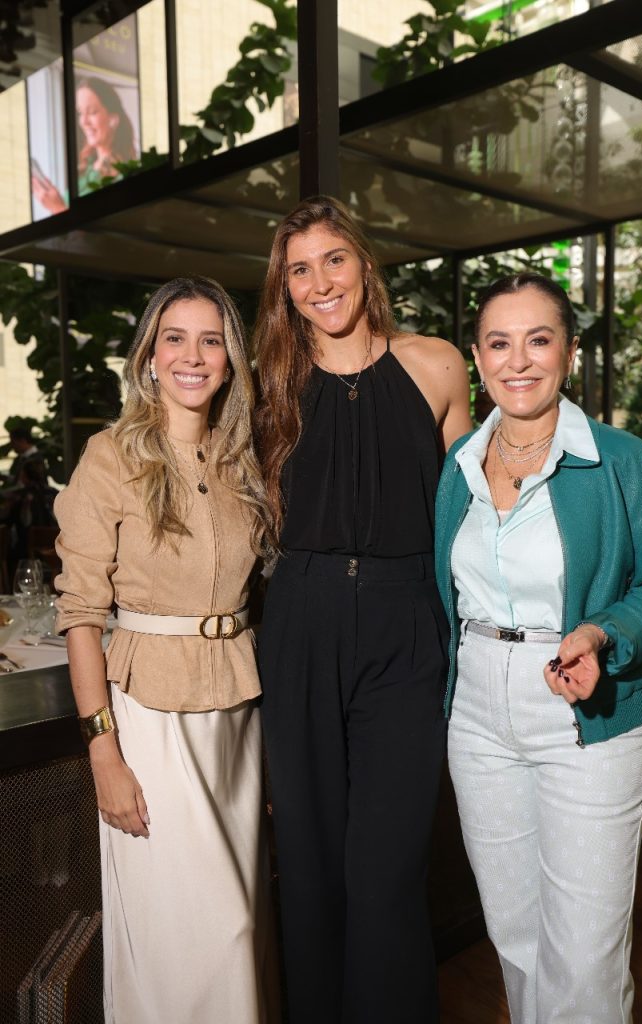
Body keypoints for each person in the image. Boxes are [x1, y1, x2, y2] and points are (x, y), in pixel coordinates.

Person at [434, 272, 642, 1024]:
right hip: (476, 711)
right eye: (499, 343)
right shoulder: (457, 470)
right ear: (477, 360)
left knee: (584, 954)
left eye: (538, 340)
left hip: (585, 712)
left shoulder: (620, 460)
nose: (519, 361)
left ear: (568, 353)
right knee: (514, 938)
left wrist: (605, 633)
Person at [254, 195, 471, 1024]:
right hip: (300, 622)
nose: (320, 282)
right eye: (299, 270)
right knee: (308, 867)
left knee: (387, 869)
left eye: (332, 260)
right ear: (285, 289)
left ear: (365, 264)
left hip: (405, 624)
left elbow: (474, 516)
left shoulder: (437, 364)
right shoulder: (269, 382)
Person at [54, 276, 277, 1023]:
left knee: (239, 926)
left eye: (211, 339)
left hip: (237, 715)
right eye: (173, 338)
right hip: (148, 718)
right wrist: (102, 752)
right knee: (192, 932)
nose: (192, 355)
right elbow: (81, 614)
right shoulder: (109, 457)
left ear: (230, 360)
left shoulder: (243, 460)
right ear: (148, 357)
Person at [32, 76, 136, 215]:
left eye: (92, 112)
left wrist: (58, 209)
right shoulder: (87, 168)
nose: (84, 122)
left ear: (113, 120)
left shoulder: (123, 175)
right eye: (80, 113)